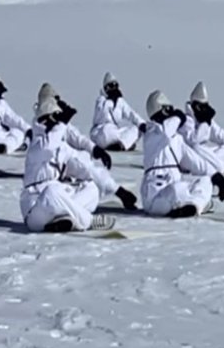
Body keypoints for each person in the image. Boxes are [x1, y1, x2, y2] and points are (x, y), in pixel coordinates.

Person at [21, 97, 139, 233]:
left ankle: (64, 220)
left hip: (58, 205)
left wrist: (118, 191)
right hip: (36, 211)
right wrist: (62, 123)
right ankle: (89, 221)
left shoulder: (62, 148)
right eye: (57, 119)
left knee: (92, 189)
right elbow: (49, 146)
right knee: (52, 192)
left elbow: (87, 169)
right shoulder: (37, 146)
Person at [141, 90, 224, 218]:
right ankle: (196, 204)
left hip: (175, 192)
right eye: (168, 109)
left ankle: (193, 207)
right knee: (178, 189)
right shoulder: (152, 133)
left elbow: (195, 161)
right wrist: (178, 117)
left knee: (205, 181)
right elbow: (166, 132)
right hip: (155, 197)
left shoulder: (176, 139)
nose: (172, 113)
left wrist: (217, 178)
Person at [35, 83, 112, 168]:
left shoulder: (61, 124)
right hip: (46, 168)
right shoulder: (38, 127)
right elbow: (49, 147)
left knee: (85, 156)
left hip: (60, 166)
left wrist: (96, 150)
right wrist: (61, 122)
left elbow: (77, 138)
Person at [182, 81, 224, 174]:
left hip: (205, 157)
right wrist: (205, 123)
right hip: (188, 159)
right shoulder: (186, 121)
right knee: (196, 149)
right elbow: (193, 141)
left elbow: (222, 136)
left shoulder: (205, 120)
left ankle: (215, 164)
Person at [90, 72, 145, 151]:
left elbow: (131, 113)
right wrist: (110, 100)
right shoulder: (101, 100)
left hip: (115, 133)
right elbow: (103, 116)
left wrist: (141, 123)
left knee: (136, 129)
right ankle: (126, 144)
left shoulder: (120, 101)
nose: (114, 88)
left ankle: (122, 145)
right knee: (107, 131)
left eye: (116, 85)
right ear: (106, 88)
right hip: (101, 132)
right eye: (112, 85)